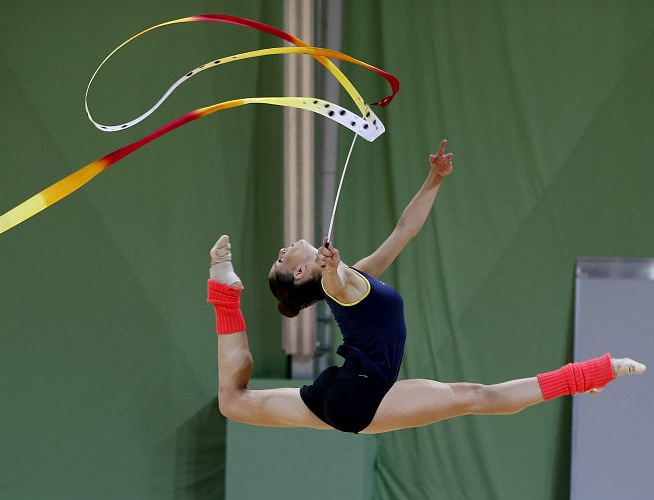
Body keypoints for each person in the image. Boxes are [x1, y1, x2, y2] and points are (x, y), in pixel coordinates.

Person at [206, 140, 646, 434]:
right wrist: (333, 269)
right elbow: (337, 284)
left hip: (341, 390)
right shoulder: (340, 283)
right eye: (283, 259)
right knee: (476, 397)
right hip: (361, 395)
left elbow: (404, 231)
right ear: (302, 275)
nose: (285, 248)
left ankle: (224, 292)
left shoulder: (355, 277)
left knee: (232, 401)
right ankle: (594, 372)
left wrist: (434, 180)